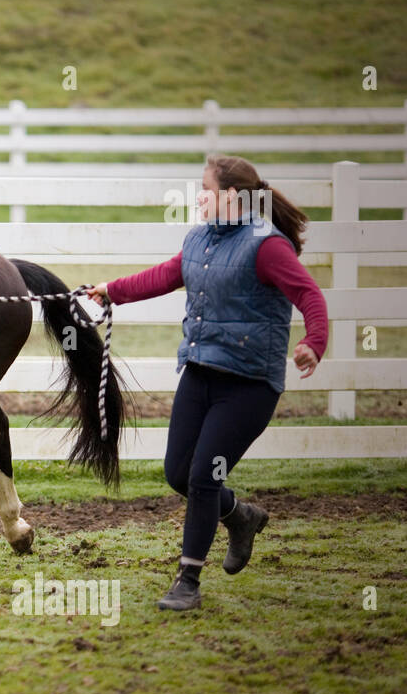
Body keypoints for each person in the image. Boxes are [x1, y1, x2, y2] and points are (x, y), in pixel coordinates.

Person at [87, 154, 329, 610]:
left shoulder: (267, 247)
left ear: (231, 197)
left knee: (202, 477)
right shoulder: (199, 239)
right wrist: (111, 289)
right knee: (178, 473)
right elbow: (165, 274)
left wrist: (314, 343)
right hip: (199, 375)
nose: (198, 197)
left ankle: (188, 582)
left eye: (205, 189)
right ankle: (240, 516)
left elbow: (308, 294)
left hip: (249, 385)